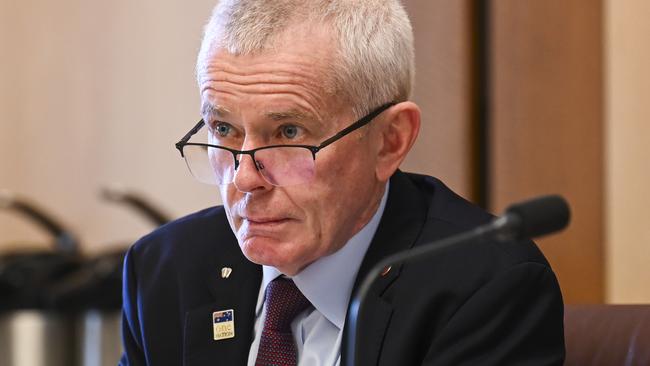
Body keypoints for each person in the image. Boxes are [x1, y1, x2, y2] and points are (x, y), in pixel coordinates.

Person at [120, 1, 565, 365]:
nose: (245, 177)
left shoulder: (485, 287)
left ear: (390, 141)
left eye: (289, 132)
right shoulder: (166, 270)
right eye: (223, 129)